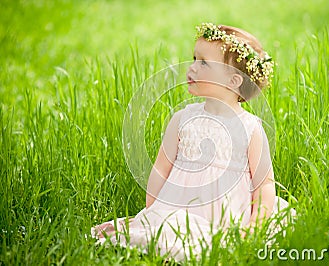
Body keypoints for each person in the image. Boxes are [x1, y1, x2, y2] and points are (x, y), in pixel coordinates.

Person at [91, 22, 295, 261]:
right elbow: (161, 168)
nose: (192, 68)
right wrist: (152, 211)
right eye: (194, 58)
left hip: (228, 216)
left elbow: (264, 184)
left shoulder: (250, 128)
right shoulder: (183, 119)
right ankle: (162, 229)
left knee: (218, 242)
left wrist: (254, 227)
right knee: (170, 233)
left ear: (234, 81)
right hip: (177, 209)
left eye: (204, 63)